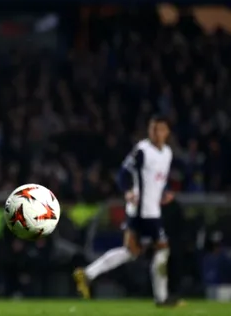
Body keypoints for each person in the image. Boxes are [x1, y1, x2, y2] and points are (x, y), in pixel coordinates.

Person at [73, 115, 181, 307]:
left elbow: (154, 180)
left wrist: (163, 193)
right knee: (162, 250)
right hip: (142, 211)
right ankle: (162, 298)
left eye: (160, 129)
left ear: (167, 132)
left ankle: (88, 274)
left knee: (131, 252)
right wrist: (128, 191)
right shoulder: (142, 151)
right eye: (152, 129)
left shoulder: (167, 153)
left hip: (151, 209)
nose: (155, 133)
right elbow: (124, 173)